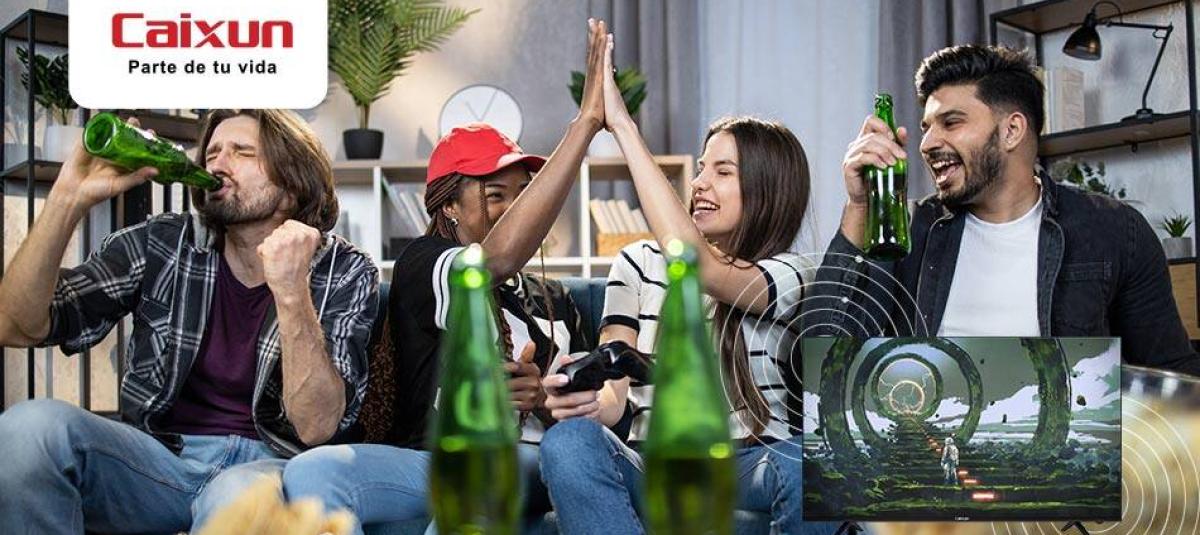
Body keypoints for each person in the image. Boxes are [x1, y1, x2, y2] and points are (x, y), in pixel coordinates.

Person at [276, 19, 611, 535]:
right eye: (495, 195)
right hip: (435, 458)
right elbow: (490, 265)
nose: (515, 209)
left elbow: (589, 415)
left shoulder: (555, 300)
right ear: (449, 205)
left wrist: (541, 400)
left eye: (525, 195)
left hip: (533, 462)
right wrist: (583, 125)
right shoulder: (426, 263)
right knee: (313, 472)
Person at [0, 109, 378, 534]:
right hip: (159, 463)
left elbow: (316, 427)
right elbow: (17, 326)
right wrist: (68, 198)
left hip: (269, 468)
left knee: (236, 496)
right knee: (29, 428)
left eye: (242, 152)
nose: (217, 165)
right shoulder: (162, 242)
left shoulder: (345, 270)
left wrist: (292, 290)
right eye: (212, 153)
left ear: (293, 183)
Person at [536, 31, 837, 535]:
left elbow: (700, 267)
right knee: (567, 443)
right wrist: (586, 401)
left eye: (723, 172)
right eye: (700, 169)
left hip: (751, 464)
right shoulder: (636, 263)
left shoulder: (794, 272)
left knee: (813, 463)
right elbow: (614, 392)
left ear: (768, 188)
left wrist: (623, 126)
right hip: (654, 463)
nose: (698, 184)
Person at [801, 44, 1200, 375]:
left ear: (1011, 130)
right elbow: (821, 367)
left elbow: (1170, 375)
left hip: (1060, 445)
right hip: (925, 443)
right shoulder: (905, 228)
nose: (927, 144)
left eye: (950, 123)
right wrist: (860, 205)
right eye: (926, 127)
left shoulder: (1113, 230)